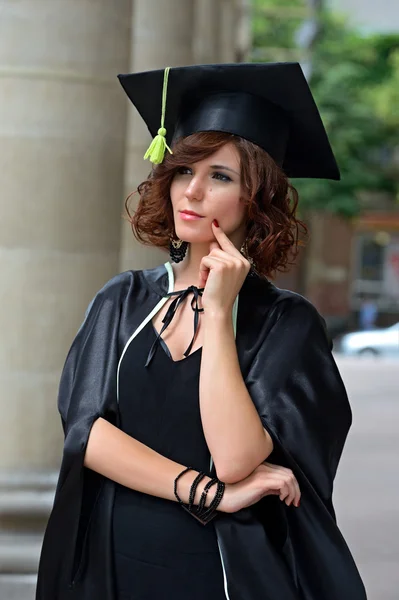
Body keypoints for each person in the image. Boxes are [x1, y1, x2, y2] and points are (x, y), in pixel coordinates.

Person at [36, 63, 367, 600]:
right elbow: (86, 433)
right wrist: (211, 492)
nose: (192, 191)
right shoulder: (122, 299)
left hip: (220, 571)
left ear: (255, 202)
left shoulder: (285, 323)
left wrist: (217, 312)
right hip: (111, 561)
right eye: (185, 170)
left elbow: (238, 457)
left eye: (221, 176)